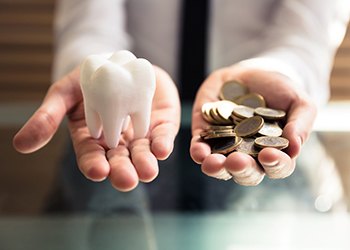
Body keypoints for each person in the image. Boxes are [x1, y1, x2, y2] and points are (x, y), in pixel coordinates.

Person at [13, 0, 350, 211]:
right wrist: (95, 67)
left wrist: (281, 73)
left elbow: (307, 31)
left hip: (282, 204)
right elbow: (89, 21)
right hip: (133, 131)